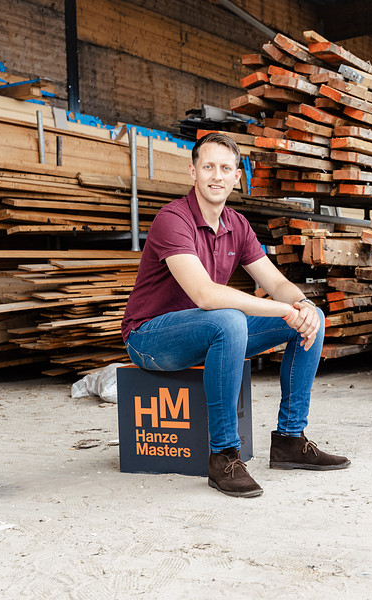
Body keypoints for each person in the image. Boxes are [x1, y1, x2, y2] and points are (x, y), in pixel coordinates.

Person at [121, 132, 350, 498]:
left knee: (313, 318)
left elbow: (276, 283)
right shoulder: (172, 219)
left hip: (207, 329)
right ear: (192, 172)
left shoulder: (237, 224)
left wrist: (301, 306)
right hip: (151, 337)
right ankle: (224, 455)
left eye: (225, 168)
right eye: (208, 166)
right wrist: (284, 311)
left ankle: (290, 440)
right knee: (228, 319)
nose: (216, 175)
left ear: (237, 177)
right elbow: (205, 295)